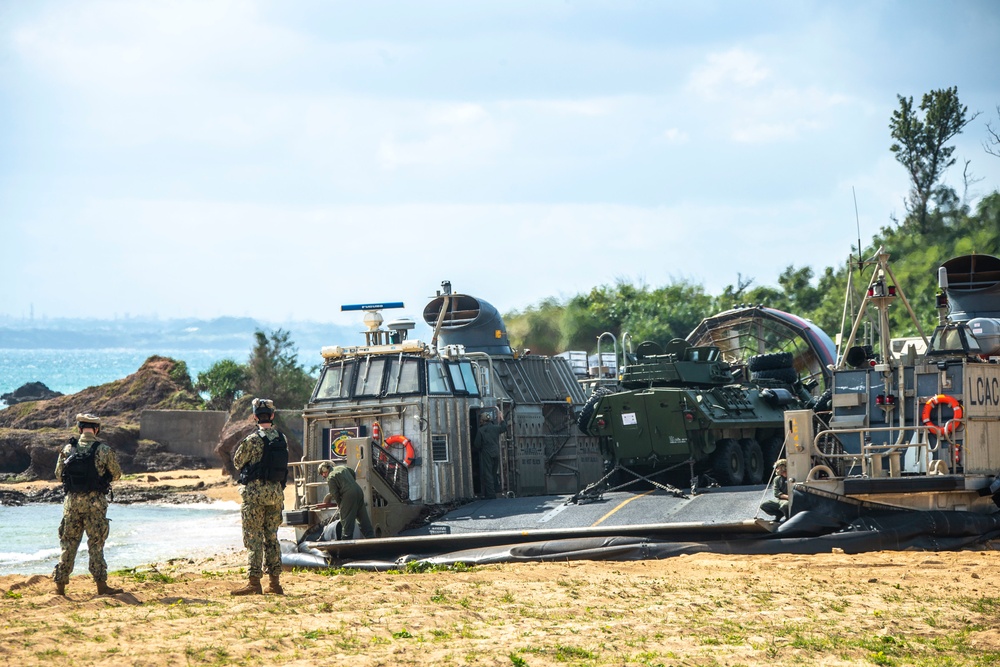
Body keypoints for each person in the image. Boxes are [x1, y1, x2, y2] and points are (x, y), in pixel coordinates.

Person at [52, 412, 124, 597]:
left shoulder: (68, 449)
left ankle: (60, 588)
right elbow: (116, 474)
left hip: (72, 504)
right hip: (95, 505)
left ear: (79, 428)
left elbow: (59, 474)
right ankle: (101, 586)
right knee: (96, 544)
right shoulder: (104, 450)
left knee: (68, 544)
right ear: (97, 429)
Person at [231, 398, 288, 596]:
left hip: (255, 496)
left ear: (255, 416)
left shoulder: (252, 440)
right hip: (275, 495)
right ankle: (275, 583)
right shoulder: (282, 438)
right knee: (272, 538)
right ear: (272, 416)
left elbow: (238, 462)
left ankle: (254, 582)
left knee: (254, 539)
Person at [318, 461, 375, 539]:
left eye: (322, 474)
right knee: (363, 518)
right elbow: (353, 473)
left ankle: (346, 541)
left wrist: (340, 504)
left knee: (346, 520)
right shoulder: (342, 467)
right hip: (358, 491)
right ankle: (371, 538)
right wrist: (350, 484)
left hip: (348, 495)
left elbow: (334, 493)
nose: (323, 476)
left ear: (325, 470)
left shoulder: (331, 477)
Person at [473, 408, 506, 499]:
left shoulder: (481, 430)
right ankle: (496, 489)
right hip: (496, 453)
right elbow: (504, 428)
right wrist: (501, 418)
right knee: (494, 473)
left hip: (487, 453)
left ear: (482, 420)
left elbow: (477, 444)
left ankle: (491, 495)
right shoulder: (495, 428)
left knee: (488, 474)